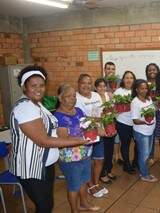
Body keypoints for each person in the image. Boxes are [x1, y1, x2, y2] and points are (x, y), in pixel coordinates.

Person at [9, 65, 86, 213]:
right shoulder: (25, 107)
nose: (39, 89)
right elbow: (43, 140)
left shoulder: (37, 104)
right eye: (33, 85)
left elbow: (50, 130)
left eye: (42, 85)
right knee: (44, 206)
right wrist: (79, 140)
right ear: (24, 87)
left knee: (46, 204)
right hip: (31, 168)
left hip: (44, 165)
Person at [54, 84, 100, 212]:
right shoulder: (58, 117)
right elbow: (64, 140)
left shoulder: (79, 110)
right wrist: (81, 140)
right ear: (60, 98)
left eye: (74, 96)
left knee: (84, 180)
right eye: (68, 96)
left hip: (84, 153)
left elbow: (87, 126)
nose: (72, 99)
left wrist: (98, 131)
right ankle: (74, 210)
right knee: (74, 185)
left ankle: (84, 204)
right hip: (70, 158)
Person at [75, 74, 109, 197]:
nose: (86, 85)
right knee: (87, 162)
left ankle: (95, 181)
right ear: (78, 84)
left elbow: (101, 113)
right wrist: (98, 125)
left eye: (89, 83)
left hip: (99, 133)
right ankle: (90, 185)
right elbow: (81, 118)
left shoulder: (96, 95)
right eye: (83, 83)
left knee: (99, 159)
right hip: (85, 135)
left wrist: (107, 123)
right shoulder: (76, 98)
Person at [131, 79, 158, 182]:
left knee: (146, 153)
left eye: (146, 88)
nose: (144, 90)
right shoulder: (135, 102)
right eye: (142, 88)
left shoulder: (148, 99)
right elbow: (135, 120)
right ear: (137, 89)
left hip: (150, 130)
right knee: (144, 154)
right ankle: (144, 175)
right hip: (141, 132)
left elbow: (152, 112)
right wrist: (146, 122)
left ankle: (144, 171)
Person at [114, 71, 137, 174]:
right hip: (123, 122)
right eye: (126, 77)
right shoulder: (118, 91)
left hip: (137, 123)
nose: (129, 80)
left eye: (131, 78)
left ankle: (135, 162)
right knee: (125, 144)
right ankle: (126, 164)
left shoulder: (137, 91)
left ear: (134, 79)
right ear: (123, 79)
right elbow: (113, 107)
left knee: (138, 144)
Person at [103, 61, 122, 165]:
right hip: (106, 114)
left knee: (117, 135)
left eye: (112, 69)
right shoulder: (101, 82)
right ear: (104, 70)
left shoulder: (119, 82)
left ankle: (117, 155)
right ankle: (108, 157)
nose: (110, 70)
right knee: (108, 134)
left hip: (118, 112)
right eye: (108, 68)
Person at [145, 63, 160, 165]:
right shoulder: (145, 84)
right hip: (148, 112)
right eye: (150, 70)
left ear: (157, 71)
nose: (152, 72)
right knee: (150, 135)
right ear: (147, 72)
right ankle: (150, 156)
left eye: (154, 70)